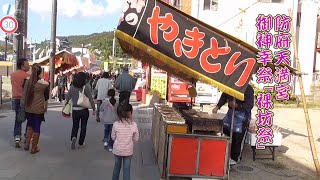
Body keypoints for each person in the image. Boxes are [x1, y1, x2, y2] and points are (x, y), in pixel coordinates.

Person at [212, 84, 254, 165]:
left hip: (242, 115)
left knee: (237, 137)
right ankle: (225, 154)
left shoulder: (248, 88)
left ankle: (235, 158)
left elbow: (250, 105)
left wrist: (238, 105)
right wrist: (217, 106)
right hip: (230, 113)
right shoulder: (231, 84)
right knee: (225, 132)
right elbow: (224, 96)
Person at [21, 63, 49, 154]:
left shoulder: (27, 81)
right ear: (40, 72)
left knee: (30, 124)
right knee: (37, 127)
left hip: (28, 107)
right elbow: (46, 97)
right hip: (39, 108)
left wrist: (23, 106)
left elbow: (24, 95)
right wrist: (46, 108)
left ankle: (27, 143)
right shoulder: (44, 84)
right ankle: (34, 147)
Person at [66, 72, 96, 150]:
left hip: (75, 110)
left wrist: (66, 104)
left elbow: (67, 97)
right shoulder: (85, 87)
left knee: (75, 125)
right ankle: (81, 142)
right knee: (83, 126)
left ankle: (73, 137)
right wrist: (93, 109)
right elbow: (90, 99)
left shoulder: (72, 87)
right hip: (84, 110)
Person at [111, 103, 139, 180]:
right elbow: (136, 138)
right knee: (126, 169)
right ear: (130, 113)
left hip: (117, 150)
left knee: (117, 167)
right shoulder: (133, 125)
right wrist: (130, 141)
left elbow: (113, 137)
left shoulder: (115, 124)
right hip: (128, 151)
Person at [10, 58, 30, 148]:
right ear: (22, 65)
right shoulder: (27, 76)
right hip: (26, 99)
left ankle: (17, 137)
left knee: (18, 119)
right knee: (29, 118)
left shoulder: (12, 75)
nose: (29, 65)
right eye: (27, 64)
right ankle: (27, 136)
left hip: (16, 99)